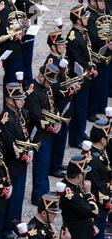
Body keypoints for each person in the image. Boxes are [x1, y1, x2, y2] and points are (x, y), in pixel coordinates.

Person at [0, 82, 31, 239]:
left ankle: (15, 222)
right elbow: (10, 144)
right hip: (12, 163)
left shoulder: (19, 112)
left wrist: (28, 150)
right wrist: (23, 155)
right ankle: (6, 227)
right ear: (9, 100)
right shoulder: (6, 119)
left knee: (18, 196)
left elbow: (25, 134)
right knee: (12, 198)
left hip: (21, 163)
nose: (22, 101)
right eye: (18, 99)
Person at [27, 63, 60, 205]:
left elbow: (53, 105)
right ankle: (39, 196)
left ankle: (44, 191)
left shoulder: (46, 87)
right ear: (41, 76)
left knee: (45, 164)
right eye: (48, 81)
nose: (50, 85)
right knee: (41, 165)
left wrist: (57, 120)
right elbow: (36, 115)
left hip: (48, 132)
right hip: (39, 133)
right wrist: (50, 126)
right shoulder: (33, 92)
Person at [66, 4, 98, 149]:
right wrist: (89, 68)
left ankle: (80, 132)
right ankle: (75, 138)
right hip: (79, 77)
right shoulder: (73, 37)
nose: (86, 18)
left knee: (83, 107)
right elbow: (77, 58)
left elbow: (88, 53)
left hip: (86, 76)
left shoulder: (83, 32)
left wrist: (93, 66)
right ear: (78, 19)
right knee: (78, 109)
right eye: (84, 16)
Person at [46, 29, 76, 178]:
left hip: (64, 102)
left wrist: (72, 84)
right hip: (58, 104)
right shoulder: (51, 62)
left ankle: (58, 162)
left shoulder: (59, 60)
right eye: (60, 44)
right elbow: (53, 85)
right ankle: (54, 166)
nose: (64, 46)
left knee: (63, 136)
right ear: (53, 47)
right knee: (59, 137)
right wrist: (68, 90)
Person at [85, 119, 112, 239]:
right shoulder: (94, 159)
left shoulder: (98, 154)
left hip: (100, 199)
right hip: (97, 205)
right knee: (98, 238)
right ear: (102, 139)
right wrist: (107, 200)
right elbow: (96, 185)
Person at [0, 0, 24, 102]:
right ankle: (10, 106)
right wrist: (15, 35)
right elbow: (2, 27)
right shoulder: (3, 5)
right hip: (9, 50)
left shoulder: (11, 4)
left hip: (16, 49)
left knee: (15, 79)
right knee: (11, 80)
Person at [86, 0, 111, 122]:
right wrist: (106, 43)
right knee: (96, 85)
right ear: (92, 2)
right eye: (100, 1)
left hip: (105, 54)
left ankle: (101, 106)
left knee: (103, 84)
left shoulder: (101, 12)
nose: (103, 3)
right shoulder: (89, 16)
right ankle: (92, 111)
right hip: (96, 56)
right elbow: (93, 38)